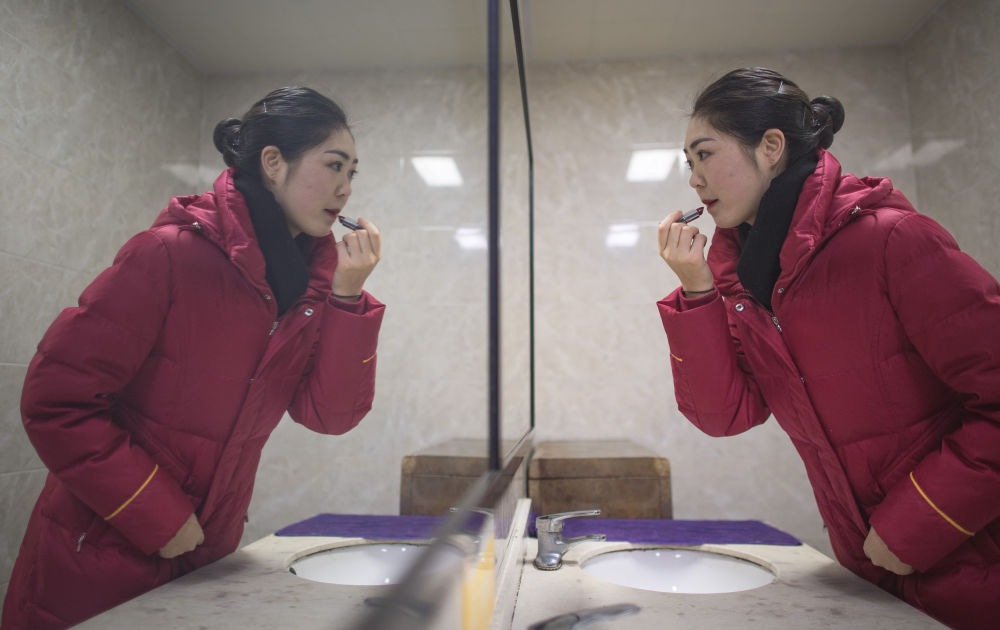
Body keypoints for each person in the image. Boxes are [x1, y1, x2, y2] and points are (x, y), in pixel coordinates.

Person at [2, 86, 385, 629]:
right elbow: (56, 402)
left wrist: (347, 296)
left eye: (353, 173)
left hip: (206, 557)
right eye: (334, 166)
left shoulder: (307, 289)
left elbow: (329, 415)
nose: (346, 188)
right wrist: (158, 517)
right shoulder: (168, 253)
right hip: (99, 556)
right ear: (273, 163)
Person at [656, 67, 999, 630]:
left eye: (705, 155)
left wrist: (915, 526)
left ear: (771, 148)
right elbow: (726, 415)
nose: (694, 179)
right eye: (688, 163)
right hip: (869, 571)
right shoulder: (747, 281)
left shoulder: (892, 239)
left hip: (973, 567)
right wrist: (698, 291)